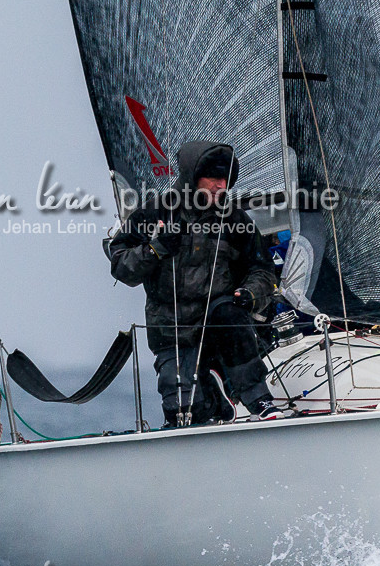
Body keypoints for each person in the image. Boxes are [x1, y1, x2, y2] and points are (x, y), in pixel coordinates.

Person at [108, 140, 284, 426]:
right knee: (184, 414)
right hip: (172, 328)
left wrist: (250, 294)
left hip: (221, 321)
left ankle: (258, 400)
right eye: (213, 178)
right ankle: (215, 400)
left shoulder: (236, 220)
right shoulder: (155, 213)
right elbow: (121, 267)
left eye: (225, 179)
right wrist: (156, 248)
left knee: (229, 315)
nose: (220, 185)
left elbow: (263, 270)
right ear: (193, 178)